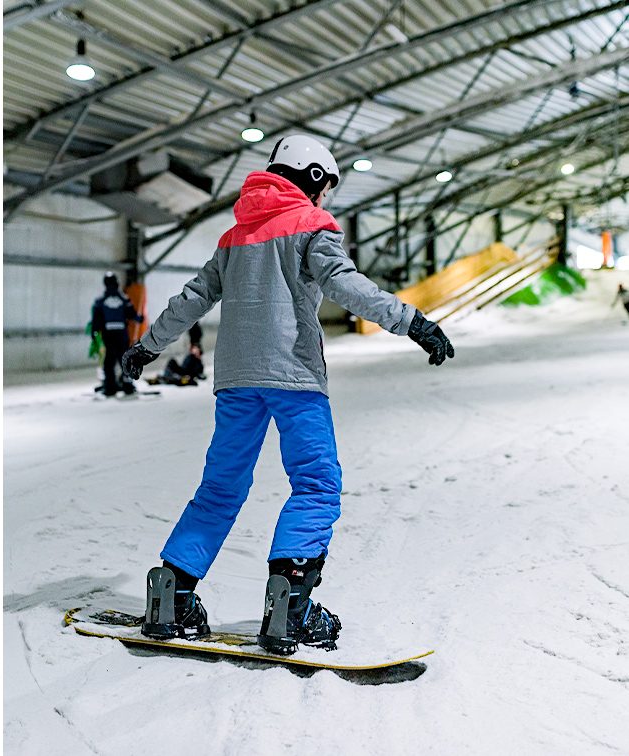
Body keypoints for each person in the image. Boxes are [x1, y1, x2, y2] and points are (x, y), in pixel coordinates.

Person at [120, 134, 455, 655]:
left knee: (220, 489)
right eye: (328, 188)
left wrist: (146, 348)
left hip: (236, 380)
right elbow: (346, 286)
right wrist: (412, 320)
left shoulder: (235, 236)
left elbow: (192, 299)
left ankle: (172, 596)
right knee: (317, 485)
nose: (327, 201)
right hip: (294, 377)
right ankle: (289, 610)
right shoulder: (310, 226)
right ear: (314, 179)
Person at [90, 272, 144, 396]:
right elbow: (131, 313)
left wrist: (94, 330)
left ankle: (110, 385)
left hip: (109, 334)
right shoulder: (123, 298)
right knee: (124, 358)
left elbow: (97, 318)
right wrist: (138, 318)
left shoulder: (100, 300)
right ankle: (126, 383)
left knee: (109, 360)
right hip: (121, 334)